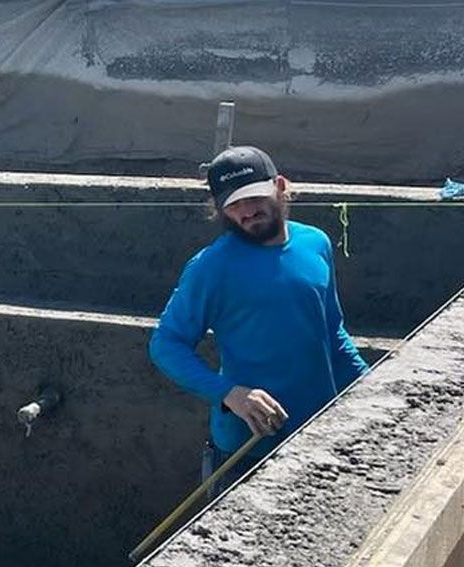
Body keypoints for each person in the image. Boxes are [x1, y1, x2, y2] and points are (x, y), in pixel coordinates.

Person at [150, 146, 370, 490]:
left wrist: (370, 387)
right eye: (234, 204)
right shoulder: (212, 267)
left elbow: (332, 331)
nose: (247, 211)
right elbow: (167, 344)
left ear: (280, 186)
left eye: (254, 197)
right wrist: (230, 394)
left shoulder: (315, 244)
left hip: (320, 432)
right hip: (249, 447)